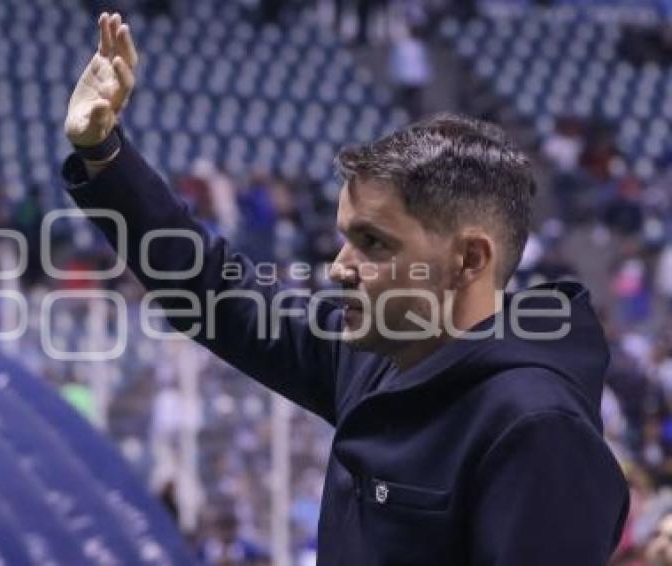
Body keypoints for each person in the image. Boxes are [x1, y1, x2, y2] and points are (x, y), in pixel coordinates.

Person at [60, 13, 629, 564]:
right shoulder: (380, 359)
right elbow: (216, 292)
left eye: (373, 243)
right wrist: (106, 157)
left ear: (469, 259)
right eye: (345, 239)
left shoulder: (536, 430)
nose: (338, 267)